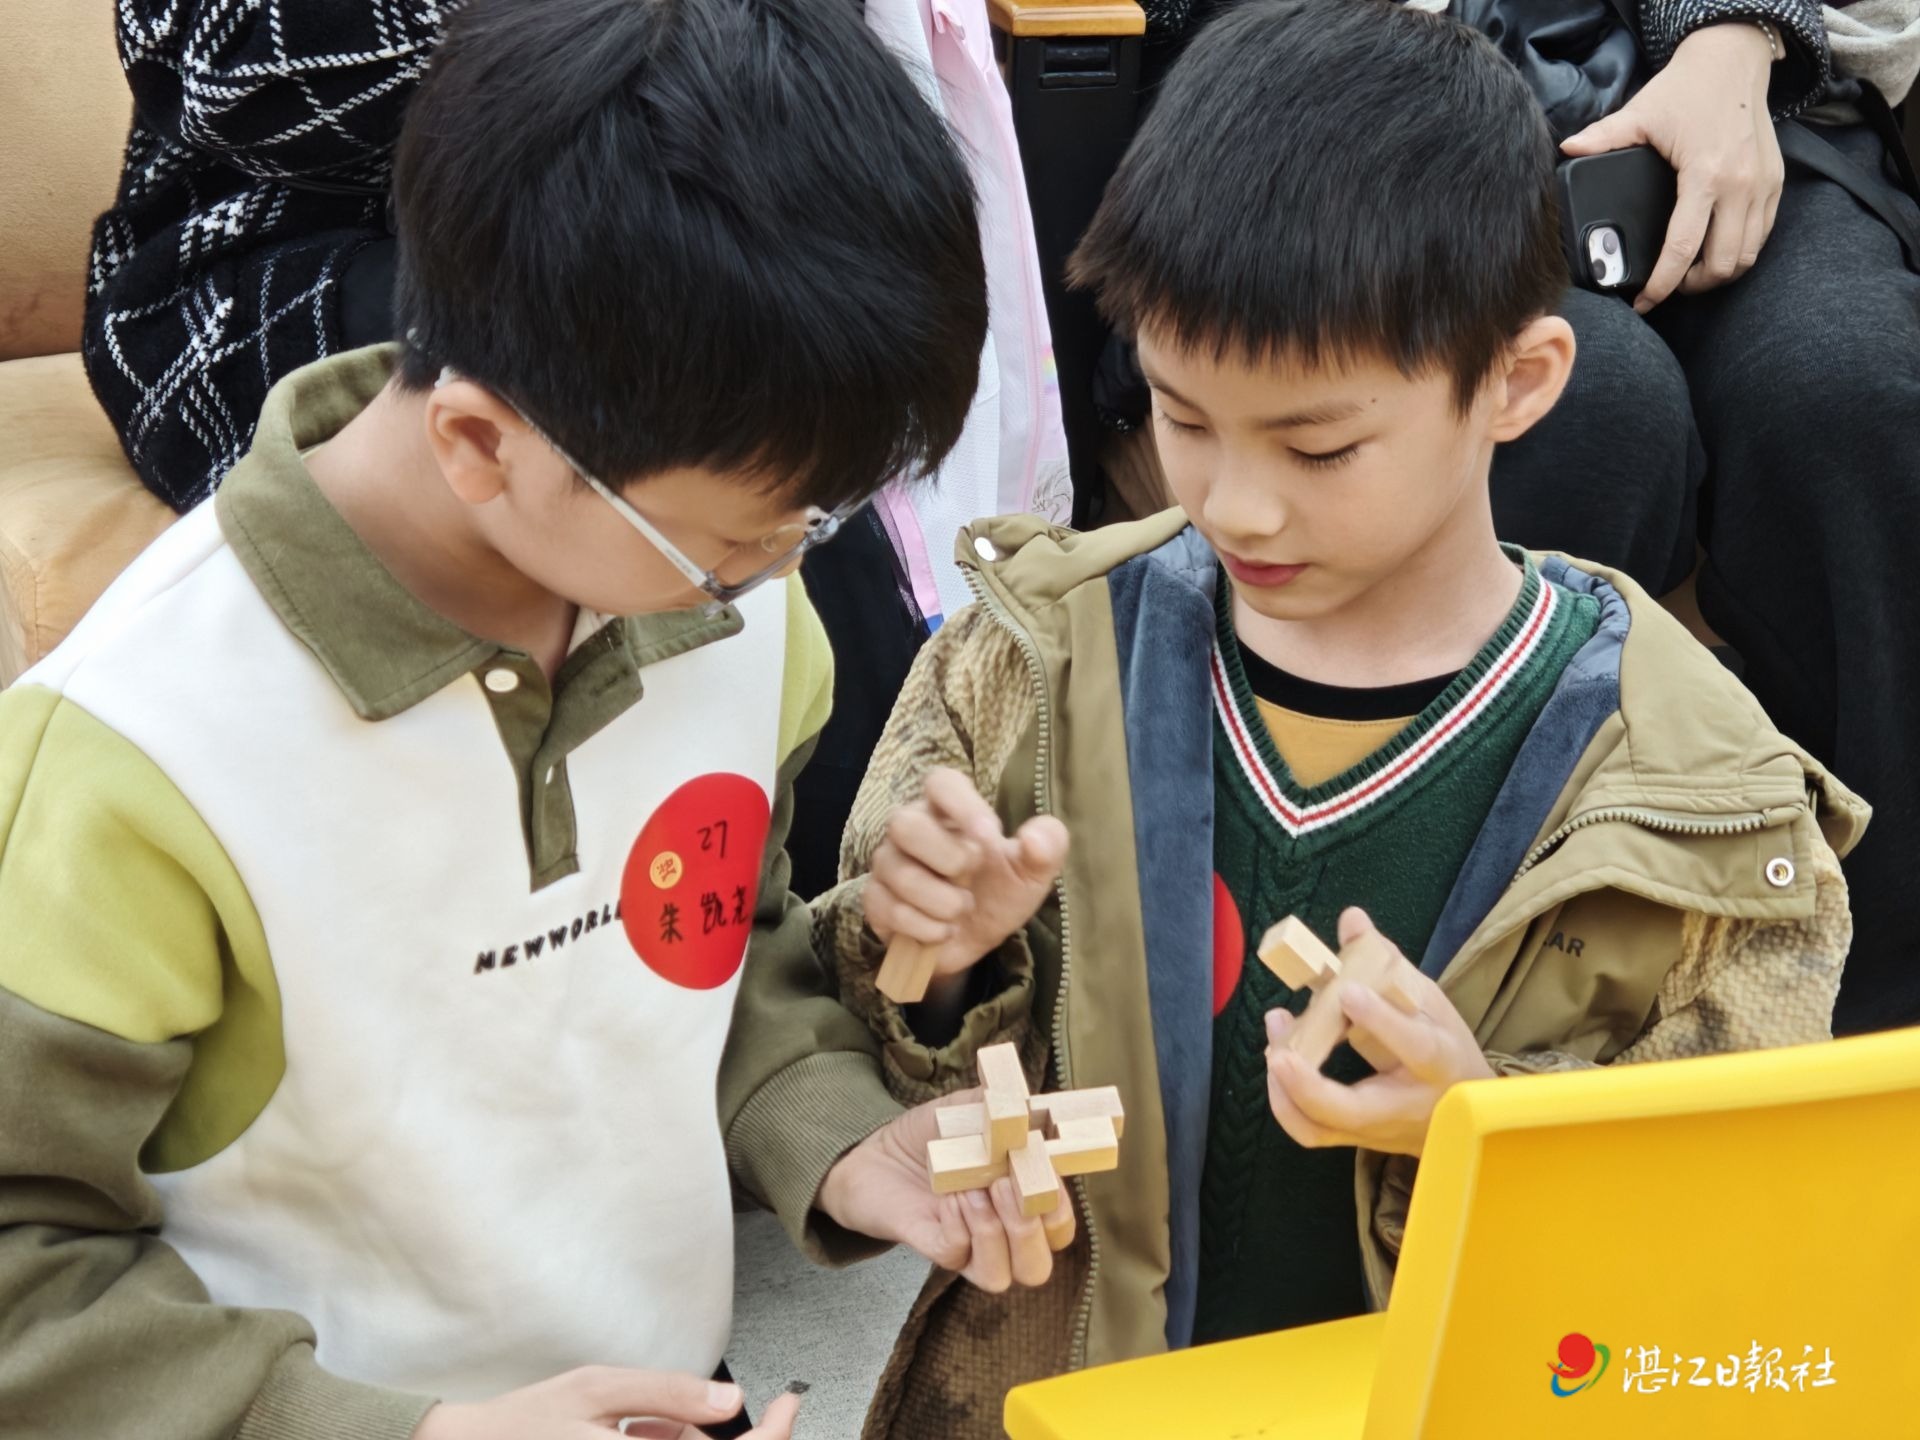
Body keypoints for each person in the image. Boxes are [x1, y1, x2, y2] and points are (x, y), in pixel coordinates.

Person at [0, 1, 1062, 1436]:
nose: (778, 575)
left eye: (816, 520)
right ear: (479, 442)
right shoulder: (138, 755)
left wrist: (835, 1133)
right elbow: (26, 1272)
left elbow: (711, 955)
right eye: (737, 540)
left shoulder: (740, 620)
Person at [813, 3, 1868, 1435]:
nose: (1237, 504)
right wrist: (932, 963)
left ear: (1518, 382)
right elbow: (869, 1060)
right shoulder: (1025, 660)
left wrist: (1484, 1123)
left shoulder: (1706, 795)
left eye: (1318, 446)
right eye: (1184, 418)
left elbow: (1732, 1253)